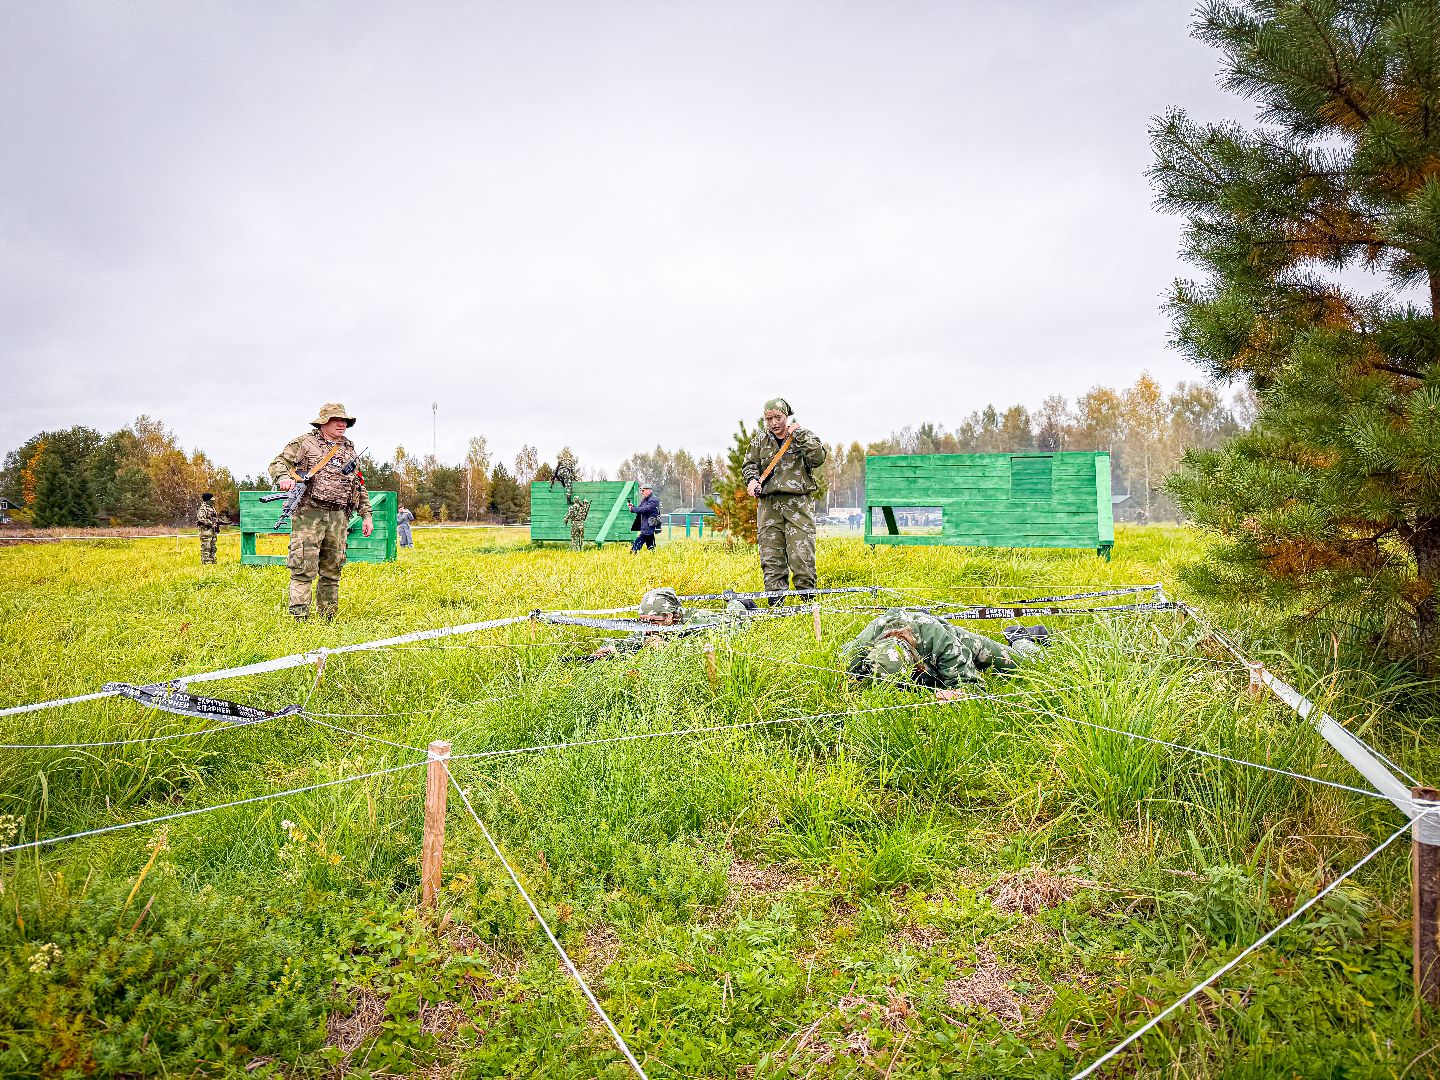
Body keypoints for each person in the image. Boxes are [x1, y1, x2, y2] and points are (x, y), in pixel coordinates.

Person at [268, 403, 373, 620]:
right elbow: (278, 462)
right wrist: (284, 478)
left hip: (339, 516)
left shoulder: (349, 448)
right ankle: (299, 618)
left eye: (344, 421)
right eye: (336, 420)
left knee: (333, 569)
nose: (342, 424)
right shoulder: (305, 442)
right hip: (309, 513)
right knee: (303, 567)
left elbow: (359, 484)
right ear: (324, 422)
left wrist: (366, 515)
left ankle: (328, 618)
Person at [842, 609, 1043, 698]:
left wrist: (956, 694)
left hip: (961, 642)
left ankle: (1021, 638)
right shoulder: (862, 646)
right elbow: (843, 666)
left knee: (1030, 664)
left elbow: (972, 687)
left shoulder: (941, 642)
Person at [743, 397, 826, 604]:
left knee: (802, 556)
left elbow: (818, 458)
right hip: (769, 506)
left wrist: (800, 435)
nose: (774, 423)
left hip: (798, 506)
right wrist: (752, 480)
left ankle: (808, 605)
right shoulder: (759, 441)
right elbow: (749, 465)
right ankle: (776, 607)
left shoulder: (802, 436)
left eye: (778, 417)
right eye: (769, 418)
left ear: (786, 416)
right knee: (771, 558)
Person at [579, 587, 752, 660]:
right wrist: (609, 648)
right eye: (643, 620)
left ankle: (736, 599)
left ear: (670, 617)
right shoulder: (649, 627)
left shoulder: (697, 621)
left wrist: (668, 648)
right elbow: (631, 641)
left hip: (736, 615)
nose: (648, 627)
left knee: (737, 609)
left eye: (654, 621)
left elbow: (712, 646)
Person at [627, 482, 660, 553]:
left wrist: (633, 509)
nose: (641, 492)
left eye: (643, 490)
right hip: (647, 523)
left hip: (649, 523)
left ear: (649, 490)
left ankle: (633, 552)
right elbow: (640, 508)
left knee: (640, 540)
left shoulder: (653, 500)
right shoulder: (646, 499)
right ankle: (653, 553)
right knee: (650, 542)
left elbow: (646, 509)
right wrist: (633, 507)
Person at [196, 492, 222, 564]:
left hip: (212, 531)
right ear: (208, 500)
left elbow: (214, 517)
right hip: (205, 531)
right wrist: (211, 523)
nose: (213, 500)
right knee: (206, 547)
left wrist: (219, 522)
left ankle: (213, 561)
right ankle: (206, 563)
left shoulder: (212, 508)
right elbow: (201, 519)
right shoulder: (203, 508)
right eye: (212, 498)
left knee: (213, 547)